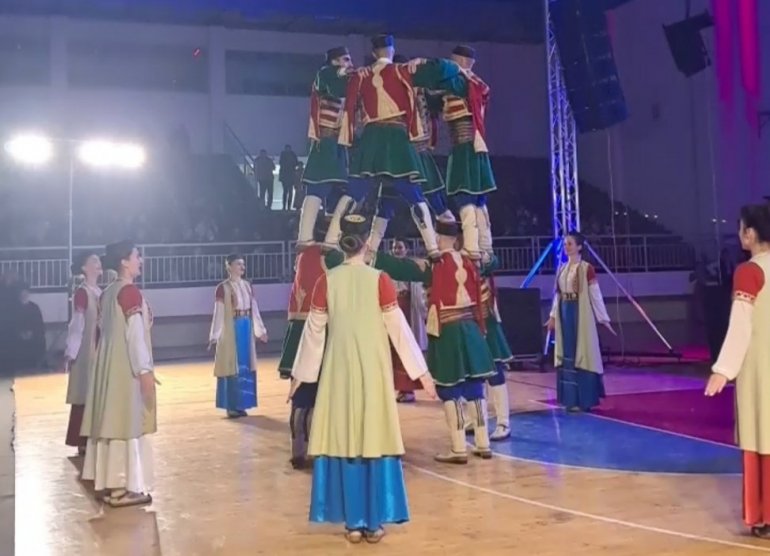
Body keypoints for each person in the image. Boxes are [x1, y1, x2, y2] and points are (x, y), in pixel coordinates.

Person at [289, 215, 436, 544]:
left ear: (342, 242)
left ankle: (353, 523)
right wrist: (422, 373)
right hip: (372, 373)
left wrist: (301, 374)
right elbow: (399, 329)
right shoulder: (379, 279)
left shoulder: (327, 281)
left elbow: (313, 332)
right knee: (372, 438)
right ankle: (372, 522)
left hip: (338, 374)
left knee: (346, 440)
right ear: (367, 243)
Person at [375, 220, 496, 463]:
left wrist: (371, 253)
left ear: (440, 238)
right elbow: (493, 262)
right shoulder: (471, 261)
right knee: (474, 386)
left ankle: (459, 447)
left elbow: (399, 268)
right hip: (472, 329)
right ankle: (483, 443)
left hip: (449, 331)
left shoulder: (435, 264)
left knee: (450, 389)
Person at [332, 34, 463, 258]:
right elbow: (447, 70)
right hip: (403, 147)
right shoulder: (401, 73)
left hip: (408, 149)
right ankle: (425, 249)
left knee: (432, 202)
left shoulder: (372, 76)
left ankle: (444, 248)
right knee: (397, 201)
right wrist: (423, 62)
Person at [705, 203, 770, 538]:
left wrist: (724, 369)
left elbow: (741, 326)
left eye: (742, 227)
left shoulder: (749, 271)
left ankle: (763, 515)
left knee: (762, 434)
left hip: (761, 367)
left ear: (751, 233)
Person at [80, 240, 157, 508]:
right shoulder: (129, 292)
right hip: (125, 366)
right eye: (137, 256)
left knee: (111, 421)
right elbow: (135, 336)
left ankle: (111, 483)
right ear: (124, 261)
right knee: (124, 422)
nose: (140, 261)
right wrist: (144, 370)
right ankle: (122, 487)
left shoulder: (108, 292)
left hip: (109, 364)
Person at [279, 219, 328, 469]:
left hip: (297, 330)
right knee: (314, 394)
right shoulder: (326, 257)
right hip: (316, 331)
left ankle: (297, 448)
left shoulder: (302, 256)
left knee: (299, 396)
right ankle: (311, 448)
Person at [546, 232, 614, 412]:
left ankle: (584, 399)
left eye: (570, 244)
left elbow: (595, 294)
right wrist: (553, 316)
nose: (566, 247)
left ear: (579, 247)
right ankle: (570, 400)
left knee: (582, 352)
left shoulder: (586, 269)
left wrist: (603, 318)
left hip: (579, 313)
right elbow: (558, 295)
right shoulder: (562, 269)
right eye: (565, 244)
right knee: (567, 352)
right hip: (565, 312)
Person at [442, 45, 497, 261]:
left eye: (453, 60)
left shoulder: (463, 82)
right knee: (478, 199)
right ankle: (485, 247)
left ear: (463, 62)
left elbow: (442, 83)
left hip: (466, 146)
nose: (450, 64)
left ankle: (473, 247)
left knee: (465, 195)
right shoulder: (475, 83)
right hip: (474, 146)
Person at [297, 46, 353, 249]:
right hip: (325, 141)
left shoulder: (343, 79)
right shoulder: (326, 74)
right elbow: (336, 87)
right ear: (335, 61)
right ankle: (305, 238)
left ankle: (333, 239)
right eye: (346, 59)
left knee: (343, 190)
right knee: (318, 186)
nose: (350, 63)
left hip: (339, 143)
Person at [209, 254, 268, 418]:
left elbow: (254, 308)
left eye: (243, 264)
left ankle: (242, 404)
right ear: (229, 266)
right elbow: (219, 313)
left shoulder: (247, 286)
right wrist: (215, 334)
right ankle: (232, 405)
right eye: (238, 264)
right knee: (232, 365)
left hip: (246, 325)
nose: (242, 267)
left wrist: (260, 330)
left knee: (245, 364)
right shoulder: (223, 288)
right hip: (231, 327)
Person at [64, 252, 103, 455]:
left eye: (98, 261)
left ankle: (97, 437)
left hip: (99, 350)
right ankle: (82, 440)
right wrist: (71, 352)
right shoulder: (82, 293)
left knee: (97, 393)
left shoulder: (99, 292)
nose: (98, 264)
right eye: (93, 261)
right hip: (86, 351)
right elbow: (77, 325)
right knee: (84, 394)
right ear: (84, 268)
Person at [389, 238, 428, 403]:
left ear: (406, 250)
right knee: (395, 351)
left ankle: (408, 390)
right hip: (393, 310)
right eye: (394, 248)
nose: (396, 250)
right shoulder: (388, 268)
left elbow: (419, 291)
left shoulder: (411, 267)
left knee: (408, 350)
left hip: (408, 310)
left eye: (399, 247)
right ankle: (399, 389)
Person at [14, 284, 46, 370]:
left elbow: (39, 324)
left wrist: (31, 333)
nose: (24, 296)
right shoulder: (14, 308)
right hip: (18, 338)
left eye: (26, 293)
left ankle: (35, 364)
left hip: (33, 337)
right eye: (22, 294)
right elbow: (13, 324)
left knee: (40, 339)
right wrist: (20, 333)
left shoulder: (34, 307)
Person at [279, 144, 298, 211]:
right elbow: (281, 163)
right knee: (285, 192)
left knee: (290, 192)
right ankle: (284, 206)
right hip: (285, 176)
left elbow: (296, 163)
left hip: (290, 175)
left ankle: (288, 207)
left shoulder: (292, 154)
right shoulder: (283, 154)